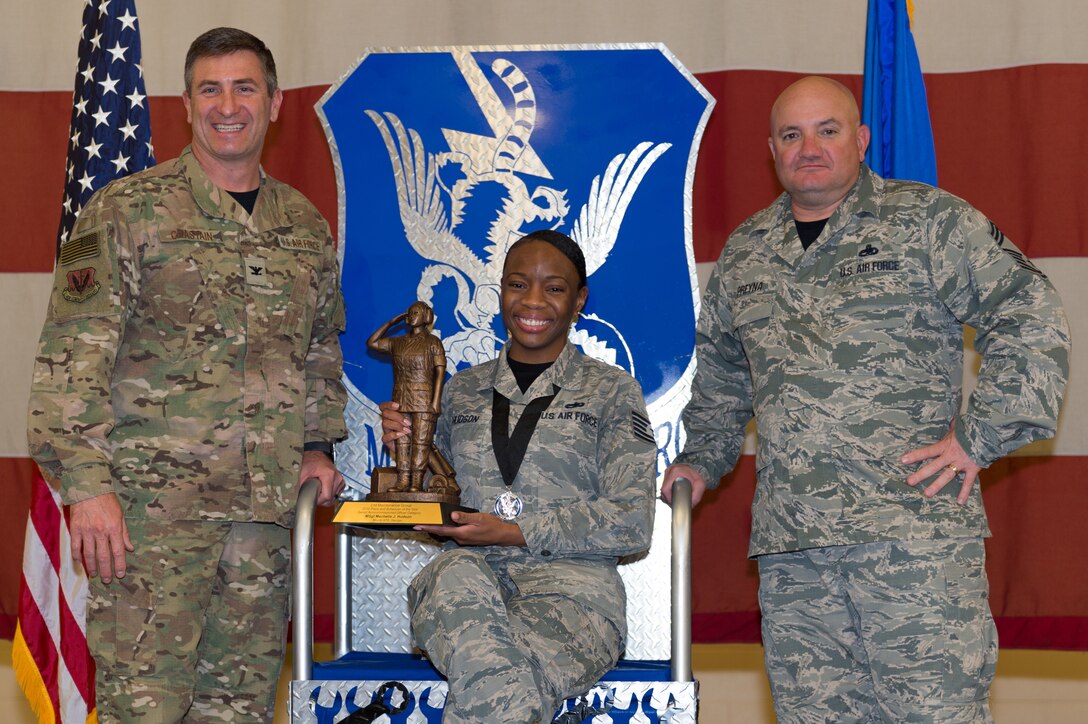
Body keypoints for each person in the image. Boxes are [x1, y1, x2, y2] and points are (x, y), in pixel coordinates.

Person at [661, 76, 1069, 722]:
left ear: (862, 139)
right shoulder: (746, 253)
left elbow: (1030, 312)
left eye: (828, 130)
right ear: (771, 149)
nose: (809, 147)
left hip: (914, 545)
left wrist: (979, 435)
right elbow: (722, 374)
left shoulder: (928, 222)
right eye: (791, 135)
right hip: (796, 556)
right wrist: (701, 460)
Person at [27, 27, 347, 721]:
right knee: (144, 711)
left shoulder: (303, 226)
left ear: (274, 102)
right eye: (210, 89)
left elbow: (320, 349)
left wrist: (319, 446)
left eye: (243, 88)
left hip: (261, 525)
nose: (226, 105)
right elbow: (70, 355)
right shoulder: (125, 210)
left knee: (240, 712)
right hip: (150, 523)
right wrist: (86, 488)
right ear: (186, 103)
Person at [381, 229, 656, 722]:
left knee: (499, 685)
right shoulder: (459, 392)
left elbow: (631, 521)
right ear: (501, 292)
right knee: (451, 573)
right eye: (517, 284)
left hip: (572, 598)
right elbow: (426, 498)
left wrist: (514, 531)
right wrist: (404, 443)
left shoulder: (611, 391)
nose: (532, 300)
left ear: (579, 301)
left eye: (554, 287)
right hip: (466, 588)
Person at [367, 302, 449, 493]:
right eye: (410, 313)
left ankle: (416, 483)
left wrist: (436, 400)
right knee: (402, 441)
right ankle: (403, 481)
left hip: (424, 399)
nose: (412, 316)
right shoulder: (398, 342)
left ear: (427, 316)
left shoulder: (433, 342)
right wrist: (390, 323)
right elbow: (372, 343)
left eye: (416, 313)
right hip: (401, 397)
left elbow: (440, 371)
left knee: (421, 443)